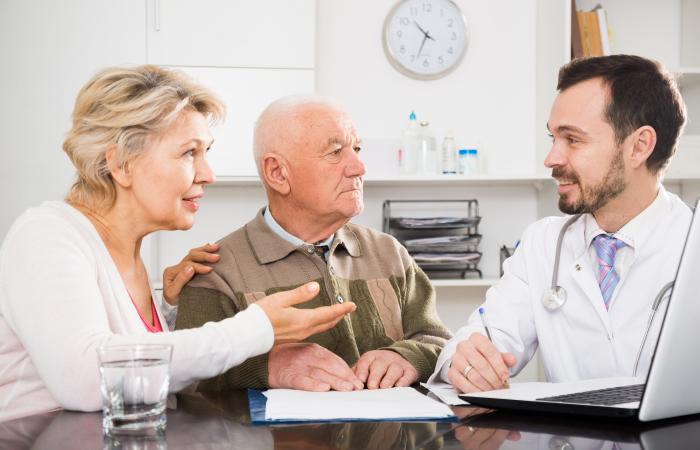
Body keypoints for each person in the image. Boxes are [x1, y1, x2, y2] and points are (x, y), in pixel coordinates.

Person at [0, 66, 355, 422]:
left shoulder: (131, 259)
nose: (208, 174)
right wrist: (256, 327)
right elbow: (87, 378)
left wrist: (170, 311)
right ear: (122, 163)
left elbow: (145, 371)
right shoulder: (47, 233)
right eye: (189, 153)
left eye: (206, 152)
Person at [428, 54, 691, 393]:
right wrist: (463, 361)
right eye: (552, 138)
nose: (551, 158)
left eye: (573, 139)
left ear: (639, 146)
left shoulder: (691, 240)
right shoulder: (543, 242)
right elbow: (479, 339)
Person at [176, 93, 452, 393]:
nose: (360, 167)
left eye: (356, 149)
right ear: (278, 173)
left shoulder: (390, 253)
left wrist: (407, 357)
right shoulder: (215, 271)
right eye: (335, 152)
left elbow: (437, 340)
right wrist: (264, 367)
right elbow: (187, 380)